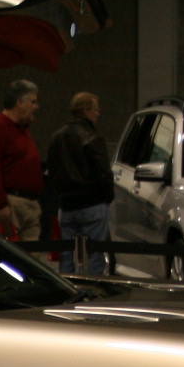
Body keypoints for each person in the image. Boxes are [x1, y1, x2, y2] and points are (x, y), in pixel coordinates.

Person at [46, 92, 112, 275]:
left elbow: (52, 171)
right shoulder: (92, 137)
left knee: (67, 255)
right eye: (96, 109)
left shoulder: (56, 137)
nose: (98, 114)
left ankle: (68, 292)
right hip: (93, 204)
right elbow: (104, 172)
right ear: (86, 111)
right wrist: (107, 197)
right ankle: (92, 294)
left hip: (66, 206)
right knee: (94, 256)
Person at [0, 79, 42, 240]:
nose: (36, 107)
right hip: (5, 203)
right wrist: (0, 204)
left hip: (27, 204)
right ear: (19, 102)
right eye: (33, 102)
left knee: (32, 256)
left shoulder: (21, 129)